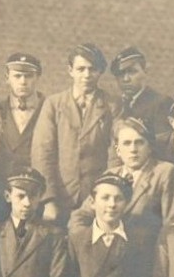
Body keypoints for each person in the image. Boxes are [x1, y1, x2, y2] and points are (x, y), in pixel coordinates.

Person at [30, 42, 116, 222]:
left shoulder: (112, 105)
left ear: (100, 72)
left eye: (92, 69)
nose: (86, 75)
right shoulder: (53, 104)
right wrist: (48, 199)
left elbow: (115, 153)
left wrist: (105, 195)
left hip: (97, 199)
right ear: (70, 70)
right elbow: (43, 153)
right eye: (80, 69)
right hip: (61, 197)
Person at [93, 115, 174, 226]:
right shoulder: (110, 175)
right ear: (118, 150)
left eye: (139, 142)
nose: (133, 149)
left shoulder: (165, 173)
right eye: (127, 143)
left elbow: (173, 224)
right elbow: (81, 215)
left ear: (149, 147)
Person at [110, 46, 173, 140]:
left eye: (132, 72)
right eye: (121, 74)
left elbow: (162, 145)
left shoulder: (160, 104)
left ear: (145, 72)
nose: (126, 79)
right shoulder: (115, 105)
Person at [0, 52, 45, 173]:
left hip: (39, 180)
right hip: (5, 182)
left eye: (28, 76)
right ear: (7, 78)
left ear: (38, 77)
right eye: (17, 76)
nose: (23, 82)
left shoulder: (50, 109)